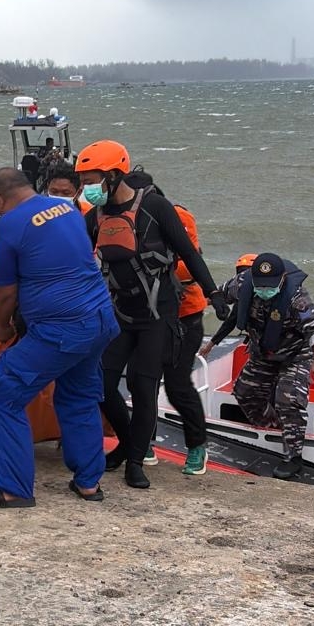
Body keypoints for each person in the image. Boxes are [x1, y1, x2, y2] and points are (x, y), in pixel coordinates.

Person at [75, 140, 228, 489]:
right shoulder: (93, 217)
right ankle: (129, 442)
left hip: (158, 315)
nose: (87, 188)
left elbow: (189, 253)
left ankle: (134, 461)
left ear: (114, 175)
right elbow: (79, 263)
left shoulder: (156, 207)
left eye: (91, 179)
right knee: (100, 383)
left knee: (143, 387)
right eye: (83, 181)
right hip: (120, 314)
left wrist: (214, 293)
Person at [0, 168, 119, 508]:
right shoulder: (67, 209)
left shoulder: (7, 224)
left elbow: (4, 291)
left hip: (62, 328)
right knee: (77, 395)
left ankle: (12, 488)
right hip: (100, 318)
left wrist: (3, 326)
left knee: (3, 390)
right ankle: (88, 483)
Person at [121, 169, 209, 476]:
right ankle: (144, 443)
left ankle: (197, 445)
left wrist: (153, 266)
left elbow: (191, 261)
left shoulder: (175, 215)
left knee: (177, 383)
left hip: (183, 315)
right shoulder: (119, 218)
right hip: (146, 315)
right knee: (140, 382)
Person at [221, 252, 314, 479]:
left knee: (288, 399)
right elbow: (217, 292)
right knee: (243, 392)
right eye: (260, 285)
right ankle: (275, 425)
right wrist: (215, 303)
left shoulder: (296, 297)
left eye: (270, 285)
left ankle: (293, 456)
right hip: (263, 354)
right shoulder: (243, 284)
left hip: (295, 355)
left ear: (282, 279)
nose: (264, 290)